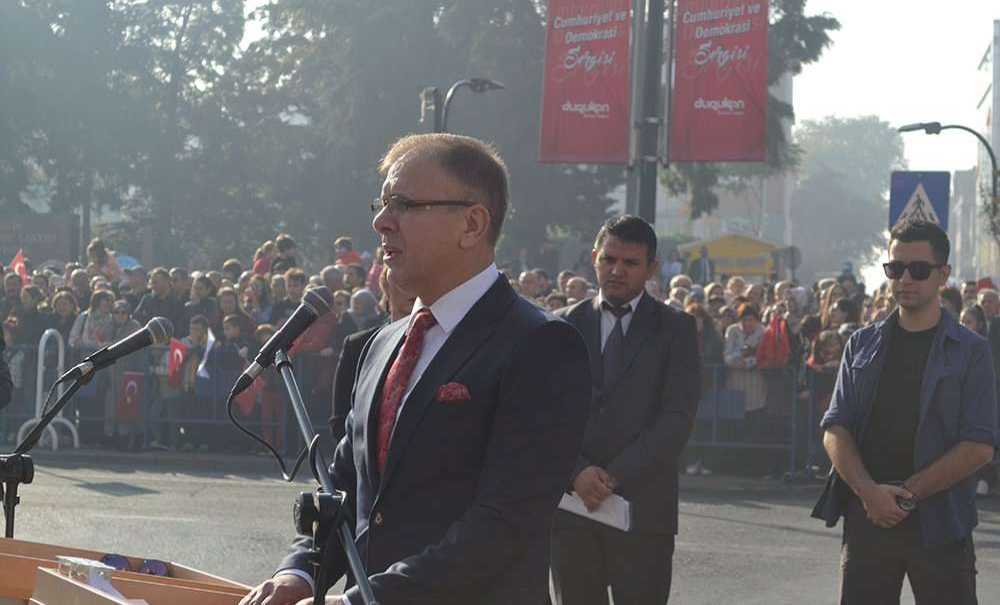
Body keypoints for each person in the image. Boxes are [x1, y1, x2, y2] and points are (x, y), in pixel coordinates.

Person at [241, 132, 590, 605]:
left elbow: (504, 524)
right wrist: (299, 572)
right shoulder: (382, 344)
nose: (381, 222)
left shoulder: (540, 344)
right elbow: (346, 488)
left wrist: (360, 601)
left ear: (472, 224)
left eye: (403, 204)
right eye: (381, 205)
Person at [813, 220, 997, 604]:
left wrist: (905, 496)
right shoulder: (861, 343)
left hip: (942, 523)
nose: (905, 279)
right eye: (895, 268)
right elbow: (835, 427)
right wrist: (869, 493)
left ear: (943, 275)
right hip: (868, 519)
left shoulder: (972, 351)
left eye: (919, 269)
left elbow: (979, 445)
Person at [551, 216, 700, 605]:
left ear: (652, 268)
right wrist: (577, 472)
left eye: (630, 263)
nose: (617, 270)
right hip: (572, 510)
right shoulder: (562, 326)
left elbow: (677, 418)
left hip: (644, 511)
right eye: (609, 259)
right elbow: (545, 416)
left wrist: (612, 476)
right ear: (594, 259)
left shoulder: (676, 329)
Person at [330, 267, 416, 444]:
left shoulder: (439, 341)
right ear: (387, 290)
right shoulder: (358, 345)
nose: (412, 290)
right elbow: (340, 419)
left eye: (416, 281)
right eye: (403, 282)